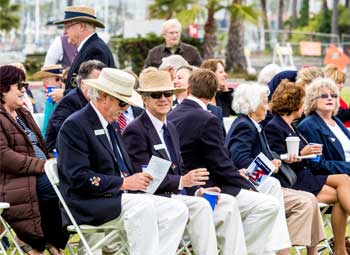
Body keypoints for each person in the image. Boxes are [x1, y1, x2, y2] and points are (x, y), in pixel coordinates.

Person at [57, 68, 188, 255]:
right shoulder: (76, 125)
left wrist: (136, 179)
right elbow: (78, 177)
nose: (126, 109)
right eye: (122, 102)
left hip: (118, 197)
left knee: (177, 209)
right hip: (87, 202)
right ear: (103, 96)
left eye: (127, 104)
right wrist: (123, 183)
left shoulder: (112, 125)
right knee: (142, 207)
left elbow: (121, 168)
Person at [123, 67, 246, 255]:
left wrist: (197, 190)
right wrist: (183, 182)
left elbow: (178, 170)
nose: (163, 98)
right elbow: (145, 179)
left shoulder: (170, 127)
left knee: (227, 203)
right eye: (156, 95)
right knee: (201, 206)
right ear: (144, 99)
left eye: (167, 93)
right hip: (153, 199)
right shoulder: (136, 130)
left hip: (177, 195)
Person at [168, 68, 280, 255]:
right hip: (209, 187)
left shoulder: (172, 114)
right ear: (214, 94)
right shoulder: (207, 118)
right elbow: (220, 163)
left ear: (188, 89)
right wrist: (245, 182)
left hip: (185, 185)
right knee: (268, 205)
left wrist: (237, 174)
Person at [226, 83, 326, 255]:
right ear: (253, 105)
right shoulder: (245, 125)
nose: (268, 106)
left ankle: (303, 251)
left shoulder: (252, 124)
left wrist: (275, 160)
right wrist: (269, 165)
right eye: (264, 102)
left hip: (263, 185)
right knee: (304, 202)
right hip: (252, 187)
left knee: (310, 199)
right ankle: (281, 250)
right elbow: (240, 160)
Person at [266, 79, 350, 255]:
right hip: (294, 180)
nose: (303, 106)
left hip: (304, 174)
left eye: (334, 95)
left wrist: (305, 153)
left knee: (342, 191)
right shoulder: (276, 127)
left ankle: (339, 250)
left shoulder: (289, 126)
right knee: (342, 188)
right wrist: (303, 154)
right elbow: (277, 156)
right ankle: (337, 250)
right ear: (295, 103)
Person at [0, 65, 68, 255]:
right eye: (19, 85)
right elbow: (3, 156)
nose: (24, 89)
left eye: (25, 84)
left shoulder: (23, 114)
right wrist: (43, 166)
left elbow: (42, 147)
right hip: (13, 181)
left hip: (39, 174)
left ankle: (53, 242)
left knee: (69, 180)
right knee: (55, 186)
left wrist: (51, 163)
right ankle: (45, 243)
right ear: (3, 88)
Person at [45, 60, 105, 153]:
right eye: (96, 83)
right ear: (82, 83)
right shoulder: (70, 101)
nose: (100, 88)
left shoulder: (94, 101)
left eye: (102, 83)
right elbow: (64, 135)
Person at [54, 5, 115, 95]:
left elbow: (92, 92)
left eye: (67, 27)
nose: (64, 32)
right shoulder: (91, 47)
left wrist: (64, 94)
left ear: (82, 27)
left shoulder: (95, 50)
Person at [298, 77, 350, 175]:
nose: (330, 98)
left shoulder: (336, 121)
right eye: (324, 96)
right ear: (312, 99)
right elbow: (318, 165)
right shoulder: (308, 125)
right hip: (339, 177)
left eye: (334, 95)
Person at [172, 65, 225, 135]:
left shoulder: (215, 111)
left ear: (191, 82)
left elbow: (222, 139)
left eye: (179, 78)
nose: (174, 81)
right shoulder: (167, 108)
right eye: (174, 78)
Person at [33, 64, 64, 137]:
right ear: (46, 81)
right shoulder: (43, 96)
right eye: (57, 79)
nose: (60, 83)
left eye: (62, 80)